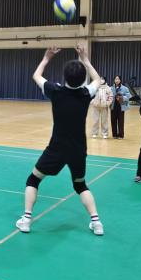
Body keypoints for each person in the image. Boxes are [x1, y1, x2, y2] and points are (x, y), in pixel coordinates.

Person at [15, 45, 104, 236]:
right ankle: (97, 223)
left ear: (65, 77)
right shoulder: (86, 93)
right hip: (78, 149)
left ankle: (26, 220)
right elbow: (98, 80)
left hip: (56, 148)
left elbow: (36, 76)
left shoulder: (55, 91)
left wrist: (46, 58)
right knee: (80, 185)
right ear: (83, 78)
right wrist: (85, 58)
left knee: (33, 179)